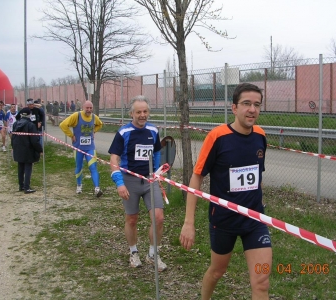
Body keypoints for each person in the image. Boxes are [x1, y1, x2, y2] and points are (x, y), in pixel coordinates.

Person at [179, 83, 272, 300]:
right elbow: (197, 176)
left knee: (261, 282)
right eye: (246, 104)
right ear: (234, 108)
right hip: (223, 221)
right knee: (217, 271)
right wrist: (189, 222)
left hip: (254, 221)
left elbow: (257, 177)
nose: (252, 109)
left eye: (257, 105)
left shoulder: (260, 135)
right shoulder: (218, 137)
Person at [108, 95, 167, 271]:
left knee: (158, 218)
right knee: (132, 219)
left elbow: (157, 151)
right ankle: (133, 252)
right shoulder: (123, 132)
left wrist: (156, 171)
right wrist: (119, 183)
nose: (142, 115)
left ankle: (152, 254)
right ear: (131, 113)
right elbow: (113, 158)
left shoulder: (153, 130)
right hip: (129, 180)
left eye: (145, 111)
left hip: (150, 180)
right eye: (138, 112)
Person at [59, 100, 104, 197]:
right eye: (87, 108)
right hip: (78, 147)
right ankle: (79, 185)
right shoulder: (76, 116)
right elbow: (63, 125)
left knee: (93, 167)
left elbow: (100, 124)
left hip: (90, 147)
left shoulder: (94, 117)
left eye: (90, 108)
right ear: (83, 108)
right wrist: (71, 135)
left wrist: (94, 131)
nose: (89, 110)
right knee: (79, 167)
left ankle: (97, 188)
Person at [11, 108, 43, 193]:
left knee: (20, 167)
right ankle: (27, 187)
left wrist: (13, 147)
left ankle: (21, 186)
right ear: (29, 114)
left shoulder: (15, 124)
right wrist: (40, 150)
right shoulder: (30, 125)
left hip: (18, 148)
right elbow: (34, 140)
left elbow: (12, 137)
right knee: (28, 167)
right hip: (28, 149)